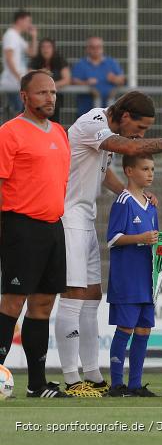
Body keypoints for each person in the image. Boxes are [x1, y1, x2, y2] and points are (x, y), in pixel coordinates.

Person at [56, 91, 162, 398]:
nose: (141, 136)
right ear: (124, 117)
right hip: (66, 215)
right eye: (140, 128)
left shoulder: (106, 132)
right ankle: (71, 379)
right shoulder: (93, 122)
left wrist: (131, 192)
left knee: (92, 296)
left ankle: (93, 375)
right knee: (73, 295)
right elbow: (127, 147)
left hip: (84, 215)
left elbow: (104, 172)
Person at [0, 70, 70, 398]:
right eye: (42, 93)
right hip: (20, 227)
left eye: (53, 92)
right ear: (24, 97)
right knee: (13, 302)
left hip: (53, 227)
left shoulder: (59, 132)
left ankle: (37, 384)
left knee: (42, 304)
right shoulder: (9, 133)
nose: (50, 98)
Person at [106, 154, 162, 398]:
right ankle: (117, 384)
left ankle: (135, 384)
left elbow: (153, 238)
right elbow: (112, 239)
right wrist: (139, 239)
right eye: (144, 168)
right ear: (129, 171)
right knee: (126, 329)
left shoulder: (150, 204)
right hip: (127, 279)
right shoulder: (123, 202)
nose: (150, 173)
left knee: (143, 331)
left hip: (147, 280)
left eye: (152, 169)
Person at [71, 37, 126, 117]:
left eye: (98, 47)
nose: (96, 50)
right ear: (87, 49)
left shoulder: (111, 63)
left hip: (110, 114)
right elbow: (73, 81)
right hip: (86, 113)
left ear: (102, 48)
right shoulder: (81, 64)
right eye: (93, 47)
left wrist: (115, 79)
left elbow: (122, 80)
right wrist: (86, 83)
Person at [1, 10, 38, 117]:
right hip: (12, 82)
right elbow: (9, 58)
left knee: (20, 113)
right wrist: (19, 78)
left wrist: (34, 36)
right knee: (18, 114)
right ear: (20, 20)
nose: (29, 24)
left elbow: (32, 53)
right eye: (28, 21)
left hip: (17, 82)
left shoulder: (17, 37)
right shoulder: (11, 35)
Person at [28, 38, 70, 123]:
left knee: (52, 125)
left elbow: (67, 79)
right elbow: (29, 76)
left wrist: (48, 86)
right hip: (36, 103)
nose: (46, 49)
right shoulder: (35, 61)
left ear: (53, 49)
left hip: (54, 102)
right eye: (43, 47)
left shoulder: (60, 60)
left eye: (48, 47)